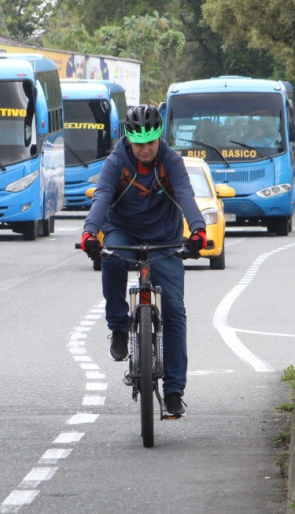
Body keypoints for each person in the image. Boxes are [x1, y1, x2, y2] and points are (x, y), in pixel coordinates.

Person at [80, 104, 206, 419]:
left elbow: (187, 196)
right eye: (139, 143)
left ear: (159, 137)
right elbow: (102, 196)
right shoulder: (116, 162)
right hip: (123, 232)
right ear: (129, 139)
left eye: (150, 142)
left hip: (165, 238)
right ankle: (119, 327)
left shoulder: (171, 162)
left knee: (175, 310)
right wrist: (90, 233)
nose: (145, 149)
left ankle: (174, 391)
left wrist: (198, 230)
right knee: (111, 260)